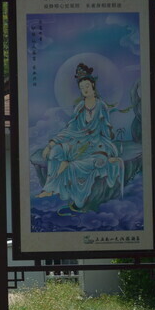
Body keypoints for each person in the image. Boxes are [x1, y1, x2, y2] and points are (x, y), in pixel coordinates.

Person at [35, 62, 124, 214]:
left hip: (96, 144)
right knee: (56, 152)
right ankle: (50, 188)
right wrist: (51, 143)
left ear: (93, 86)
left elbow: (105, 128)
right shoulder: (80, 107)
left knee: (76, 166)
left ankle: (79, 200)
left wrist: (110, 135)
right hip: (77, 141)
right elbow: (71, 128)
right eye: (82, 88)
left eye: (87, 87)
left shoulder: (101, 106)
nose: (85, 91)